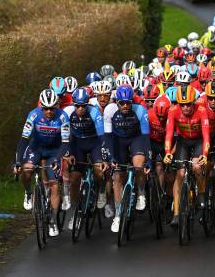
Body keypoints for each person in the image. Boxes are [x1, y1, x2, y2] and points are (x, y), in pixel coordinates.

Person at [14, 89, 70, 237]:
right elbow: (24, 140)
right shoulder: (33, 115)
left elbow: (65, 143)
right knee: (26, 170)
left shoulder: (63, 117)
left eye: (52, 108)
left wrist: (58, 159)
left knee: (54, 186)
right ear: (41, 106)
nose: (49, 111)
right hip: (36, 148)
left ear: (57, 106)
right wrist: (18, 161)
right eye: (46, 108)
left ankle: (52, 220)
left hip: (54, 151)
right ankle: (28, 192)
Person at [103, 86, 152, 233]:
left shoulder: (140, 111)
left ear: (132, 102)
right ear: (116, 102)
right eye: (122, 103)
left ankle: (141, 193)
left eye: (128, 103)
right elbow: (108, 137)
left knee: (138, 166)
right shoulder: (110, 110)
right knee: (117, 177)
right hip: (118, 141)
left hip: (136, 139)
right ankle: (118, 215)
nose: (125, 106)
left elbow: (145, 137)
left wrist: (148, 159)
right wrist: (111, 156)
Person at [63, 88, 110, 228]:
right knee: (75, 178)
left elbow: (102, 136)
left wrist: (105, 155)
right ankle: (74, 213)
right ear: (73, 104)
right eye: (78, 105)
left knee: (99, 171)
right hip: (77, 144)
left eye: (83, 105)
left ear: (87, 104)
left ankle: (101, 189)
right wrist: (68, 153)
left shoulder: (94, 112)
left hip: (94, 143)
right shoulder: (67, 112)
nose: (81, 108)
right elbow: (65, 136)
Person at [163, 85, 210, 227]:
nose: (186, 108)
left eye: (189, 104)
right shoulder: (172, 111)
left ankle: (201, 193)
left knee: (196, 167)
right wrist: (167, 153)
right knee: (180, 174)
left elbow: (207, 135)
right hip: (183, 141)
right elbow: (169, 134)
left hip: (198, 141)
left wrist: (205, 154)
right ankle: (176, 214)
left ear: (193, 103)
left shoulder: (201, 110)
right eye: (182, 105)